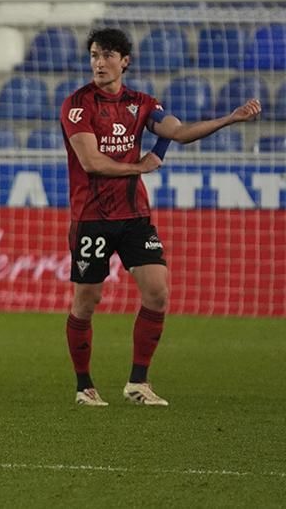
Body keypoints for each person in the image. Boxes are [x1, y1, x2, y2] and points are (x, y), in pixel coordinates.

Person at [60, 27, 261, 408]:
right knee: (87, 301)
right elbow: (91, 162)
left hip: (135, 215)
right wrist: (140, 166)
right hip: (92, 217)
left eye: (106, 56)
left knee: (158, 291)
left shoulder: (142, 103)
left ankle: (138, 382)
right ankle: (84, 385)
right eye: (93, 56)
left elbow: (180, 132)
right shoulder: (77, 104)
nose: (98, 63)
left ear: (125, 61)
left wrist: (230, 119)